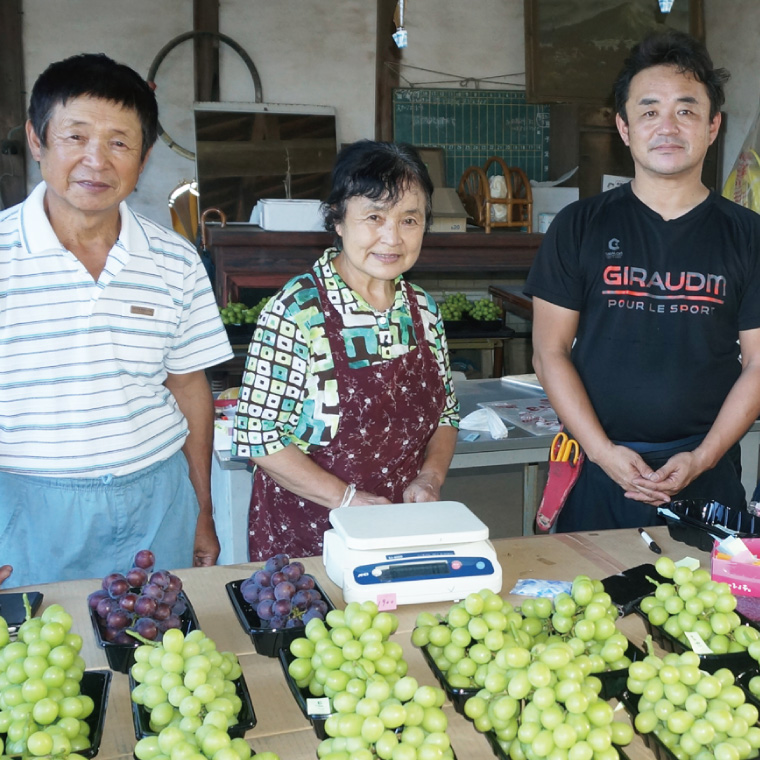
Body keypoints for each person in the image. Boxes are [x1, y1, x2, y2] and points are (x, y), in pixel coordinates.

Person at [0, 53, 233, 587]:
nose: (96, 161)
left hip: (157, 502)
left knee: (159, 649)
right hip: (26, 508)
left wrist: (202, 509)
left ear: (144, 156)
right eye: (75, 137)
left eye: (119, 142)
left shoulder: (174, 260)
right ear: (37, 140)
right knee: (37, 658)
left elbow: (188, 387)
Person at [525, 30, 760, 532]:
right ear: (624, 127)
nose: (667, 126)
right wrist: (603, 452)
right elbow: (549, 353)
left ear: (713, 126)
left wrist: (704, 457)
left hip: (707, 472)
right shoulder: (579, 226)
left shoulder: (749, 235)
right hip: (594, 466)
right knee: (583, 605)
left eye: (686, 110)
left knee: (709, 608)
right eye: (649, 110)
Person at [232, 140, 460, 560]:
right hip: (307, 537)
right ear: (337, 219)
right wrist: (350, 500)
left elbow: (445, 413)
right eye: (374, 217)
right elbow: (259, 438)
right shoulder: (297, 310)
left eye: (409, 220)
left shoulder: (423, 310)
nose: (392, 238)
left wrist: (430, 477)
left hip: (399, 528)